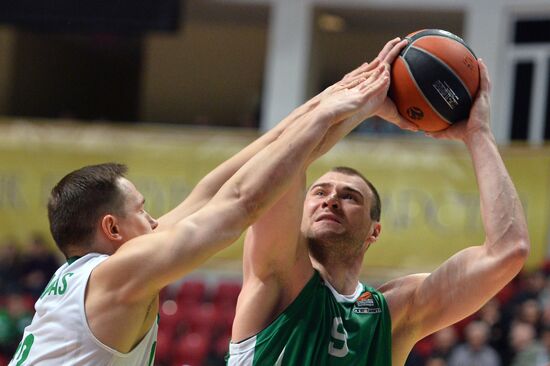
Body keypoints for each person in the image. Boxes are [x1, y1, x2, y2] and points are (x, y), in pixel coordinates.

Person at [8, 37, 410, 366]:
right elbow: (242, 200)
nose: (153, 221)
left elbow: (221, 183)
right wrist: (330, 113)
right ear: (112, 228)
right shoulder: (118, 274)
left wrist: (344, 102)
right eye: (142, 210)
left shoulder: (92, 275)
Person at [227, 45, 530, 365]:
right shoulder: (276, 275)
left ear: (374, 231)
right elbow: (281, 162)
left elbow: (508, 250)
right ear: (298, 215)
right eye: (319, 192)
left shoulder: (394, 312)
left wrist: (479, 134)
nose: (330, 199)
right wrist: (354, 101)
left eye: (349, 196)